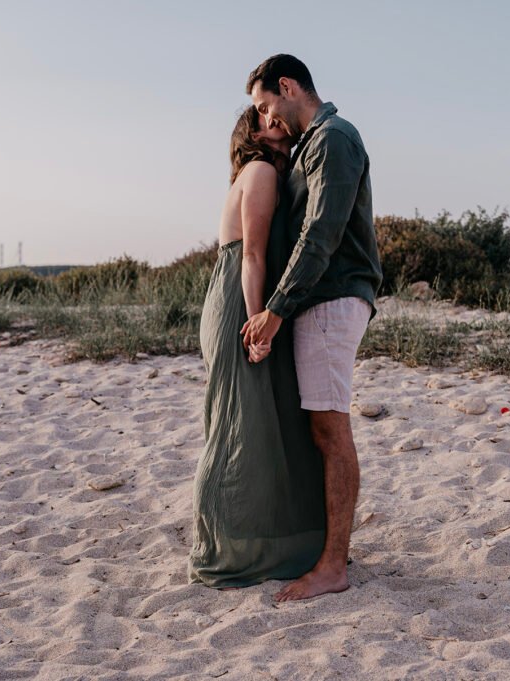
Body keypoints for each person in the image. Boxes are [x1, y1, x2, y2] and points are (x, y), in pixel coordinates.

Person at [241, 54, 383, 602]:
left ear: (287, 85)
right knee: (321, 429)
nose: (267, 118)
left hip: (331, 297)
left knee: (330, 431)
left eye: (265, 106)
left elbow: (322, 233)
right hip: (319, 300)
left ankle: (333, 567)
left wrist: (275, 308)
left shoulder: (334, 139)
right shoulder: (309, 147)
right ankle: (328, 551)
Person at [187, 105, 326, 589]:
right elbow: (251, 255)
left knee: (255, 424)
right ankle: (226, 545)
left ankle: (266, 541)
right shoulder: (262, 170)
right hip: (241, 304)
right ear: (253, 133)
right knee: (239, 427)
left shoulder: (264, 171)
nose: (277, 121)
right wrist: (255, 326)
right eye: (265, 118)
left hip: (240, 300)